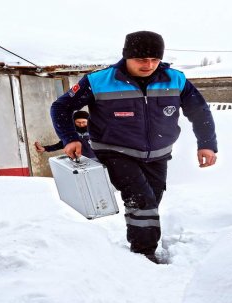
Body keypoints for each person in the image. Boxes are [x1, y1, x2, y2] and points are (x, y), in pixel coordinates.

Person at [50, 30, 218, 264]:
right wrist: (70, 137)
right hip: (115, 151)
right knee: (142, 200)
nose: (148, 65)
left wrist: (207, 144)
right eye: (141, 59)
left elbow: (199, 112)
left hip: (159, 155)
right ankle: (144, 254)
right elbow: (60, 107)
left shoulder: (175, 79)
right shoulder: (98, 81)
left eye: (154, 59)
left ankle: (141, 244)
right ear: (127, 56)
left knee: (150, 202)